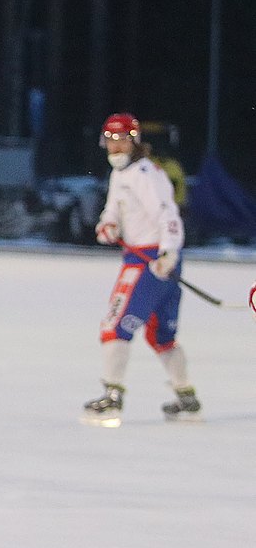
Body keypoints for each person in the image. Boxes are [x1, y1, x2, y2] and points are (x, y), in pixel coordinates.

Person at [82, 113, 198, 426]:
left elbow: (167, 214)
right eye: (110, 139)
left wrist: (169, 252)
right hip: (154, 260)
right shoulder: (121, 174)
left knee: (115, 326)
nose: (115, 145)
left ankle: (112, 396)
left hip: (149, 262)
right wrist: (108, 225)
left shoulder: (146, 173)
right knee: (161, 335)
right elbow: (113, 211)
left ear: (134, 141)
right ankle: (186, 397)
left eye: (121, 139)